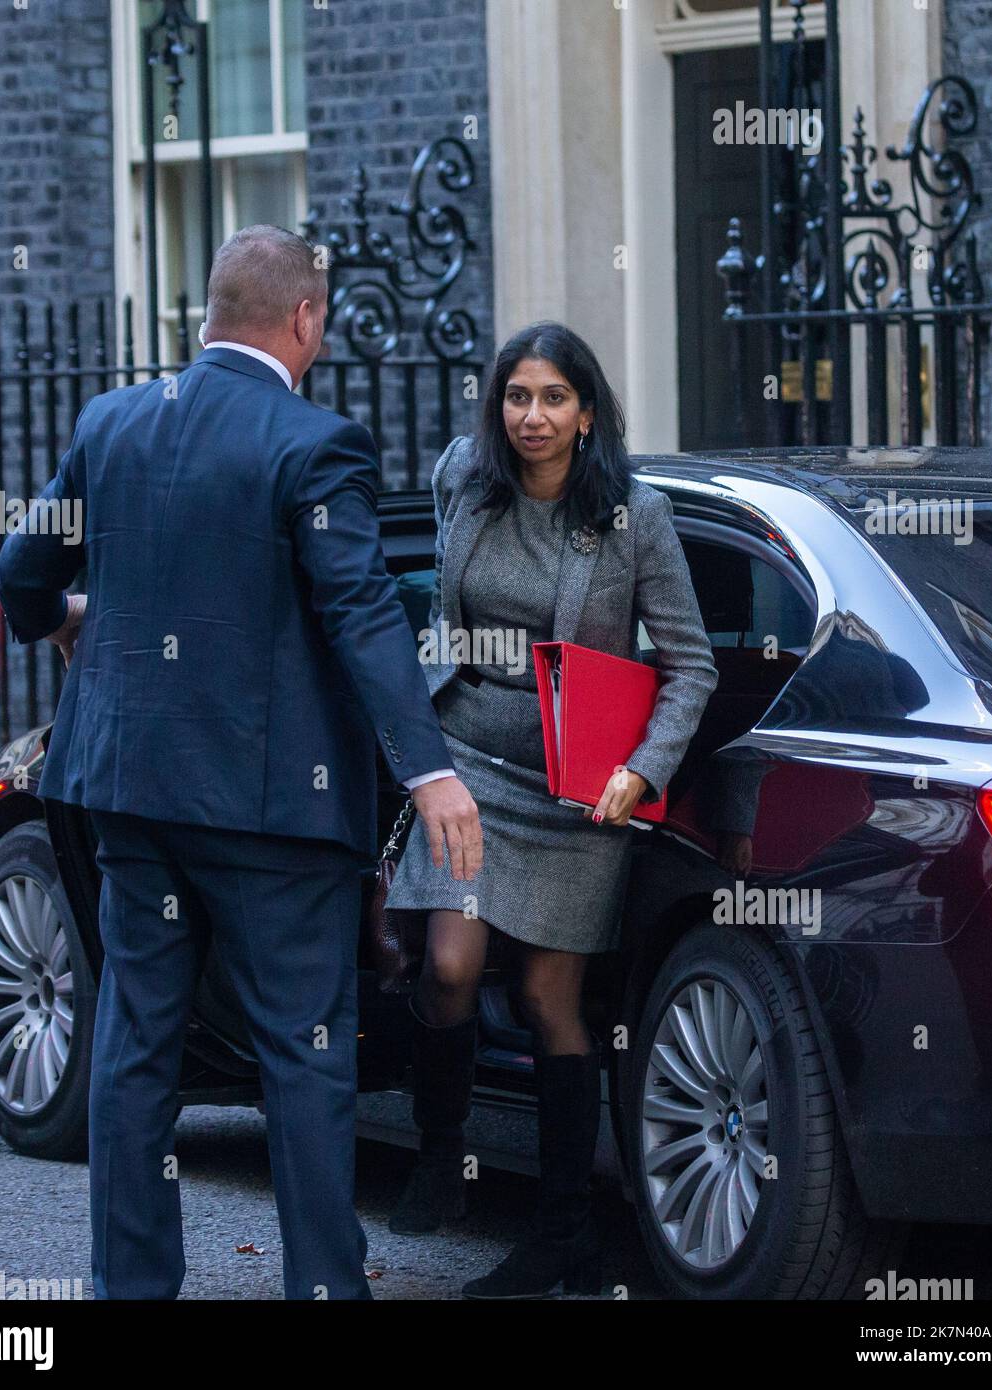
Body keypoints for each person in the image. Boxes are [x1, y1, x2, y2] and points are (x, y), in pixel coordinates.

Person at [0, 225, 482, 1301]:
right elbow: (360, 610)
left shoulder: (112, 422)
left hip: (131, 797)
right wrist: (426, 767)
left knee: (134, 1047)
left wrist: (68, 610)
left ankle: (131, 1288)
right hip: (273, 813)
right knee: (303, 1058)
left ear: (208, 311)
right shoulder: (314, 443)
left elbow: (20, 571)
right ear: (305, 319)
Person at [384, 321, 718, 1298]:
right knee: (447, 968)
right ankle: (440, 1149)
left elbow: (688, 665)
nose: (531, 416)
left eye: (552, 398)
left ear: (585, 411)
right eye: (516, 396)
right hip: (466, 764)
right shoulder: (464, 477)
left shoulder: (632, 516)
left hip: (577, 789)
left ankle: (564, 1233)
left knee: (546, 999)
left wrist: (641, 770)